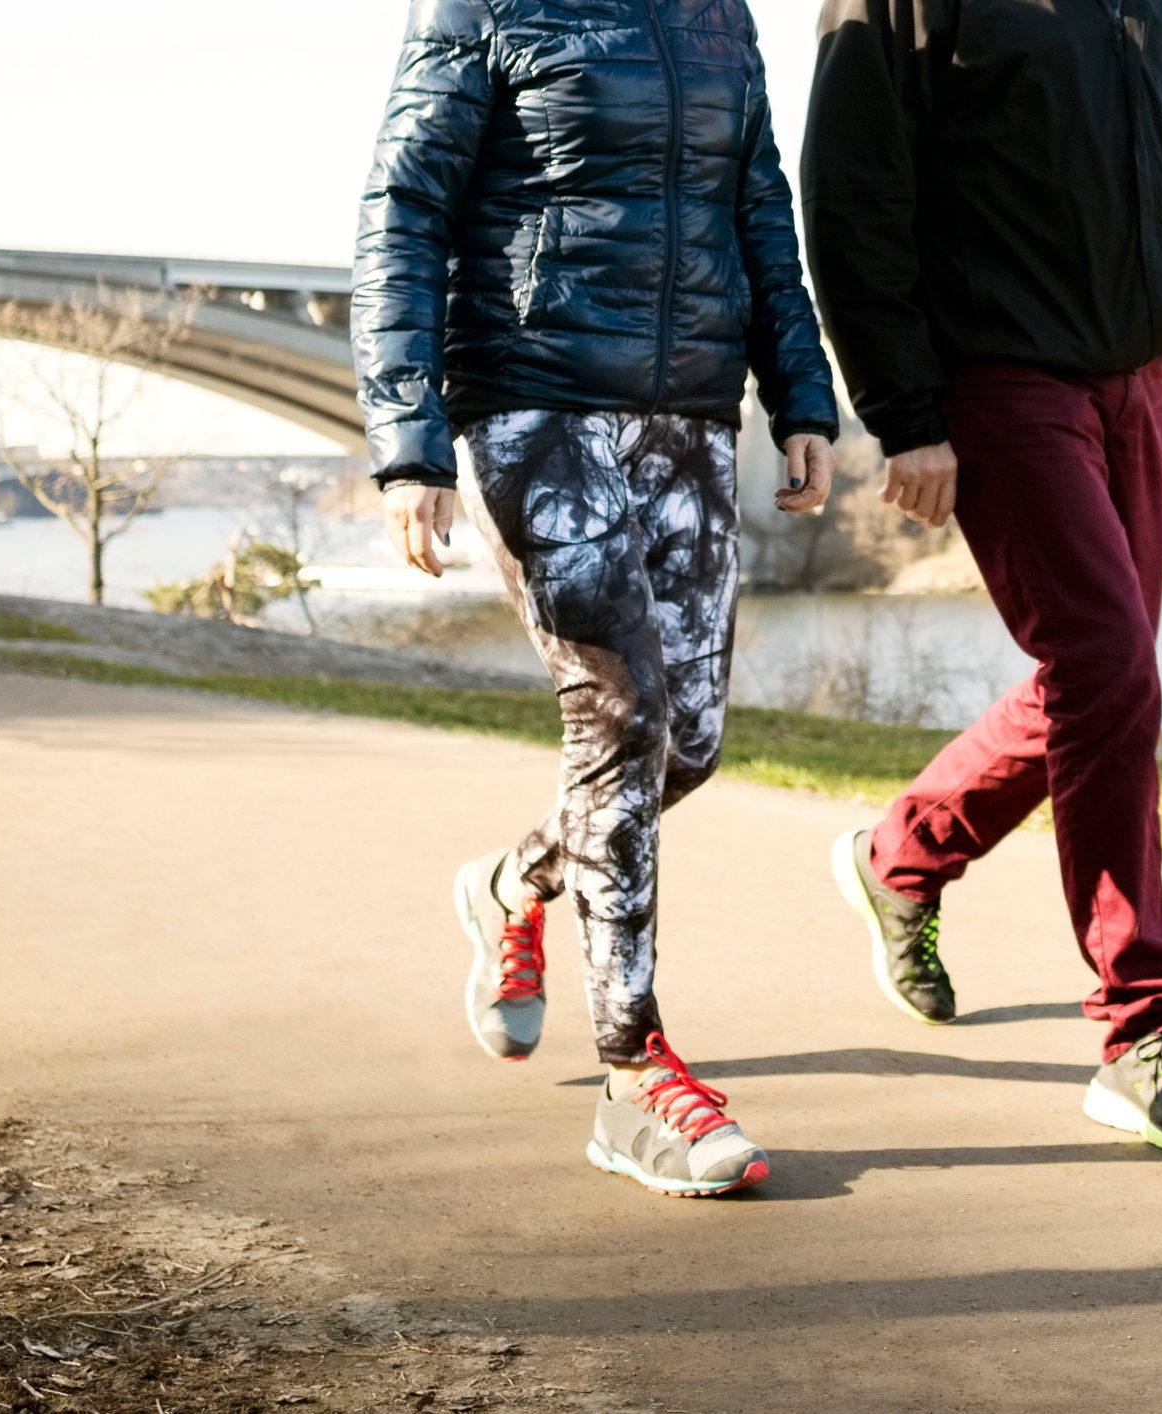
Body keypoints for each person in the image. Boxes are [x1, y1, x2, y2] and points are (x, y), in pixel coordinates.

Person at [802, 0, 1162, 1153]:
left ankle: (901, 855)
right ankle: (1143, 1030)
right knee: (1107, 667)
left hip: (1136, 378)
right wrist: (906, 412)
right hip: (1001, 375)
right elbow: (854, 192)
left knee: (1102, 679)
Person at [352, 0, 841, 1196]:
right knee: (618, 718)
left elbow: (759, 207)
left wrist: (802, 395)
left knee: (690, 743)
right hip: (534, 398)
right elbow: (403, 209)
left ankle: (513, 881)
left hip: (688, 411)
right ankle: (635, 1075)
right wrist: (409, 442)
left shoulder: (720, 16)